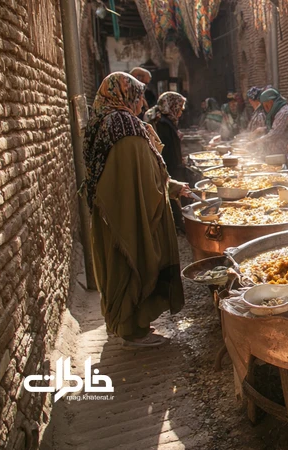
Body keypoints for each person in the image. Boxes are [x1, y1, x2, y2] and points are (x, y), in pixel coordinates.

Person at [83, 72, 191, 347]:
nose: (143, 104)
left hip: (114, 210)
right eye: (140, 96)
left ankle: (124, 323)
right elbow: (143, 176)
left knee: (117, 266)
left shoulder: (102, 121)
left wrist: (170, 185)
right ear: (125, 95)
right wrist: (169, 187)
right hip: (130, 212)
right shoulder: (125, 125)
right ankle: (133, 328)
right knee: (134, 264)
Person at [151, 91, 188, 233]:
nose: (181, 112)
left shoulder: (167, 121)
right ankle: (179, 224)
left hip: (173, 164)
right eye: (180, 108)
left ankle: (179, 223)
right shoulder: (162, 123)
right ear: (172, 106)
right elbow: (166, 148)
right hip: (170, 166)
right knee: (173, 195)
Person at [254, 88, 288, 166]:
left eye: (266, 106)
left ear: (271, 102)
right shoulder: (278, 112)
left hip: (286, 157)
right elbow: (277, 127)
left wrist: (255, 142)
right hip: (278, 156)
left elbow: (274, 134)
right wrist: (263, 129)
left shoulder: (285, 113)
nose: (265, 109)